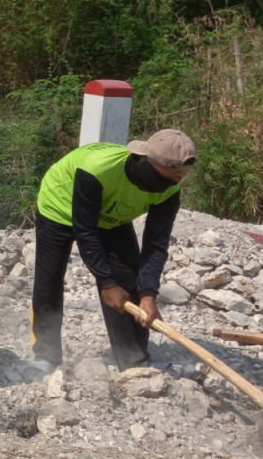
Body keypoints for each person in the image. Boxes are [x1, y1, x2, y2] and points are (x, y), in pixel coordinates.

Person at [26, 129, 197, 378]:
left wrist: (148, 294)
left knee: (130, 278)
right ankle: (45, 355)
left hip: (112, 217)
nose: (171, 185)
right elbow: (85, 231)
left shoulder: (169, 190)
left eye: (178, 179)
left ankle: (133, 359)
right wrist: (106, 282)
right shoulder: (98, 169)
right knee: (49, 279)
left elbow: (155, 244)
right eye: (167, 178)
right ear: (146, 163)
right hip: (59, 207)